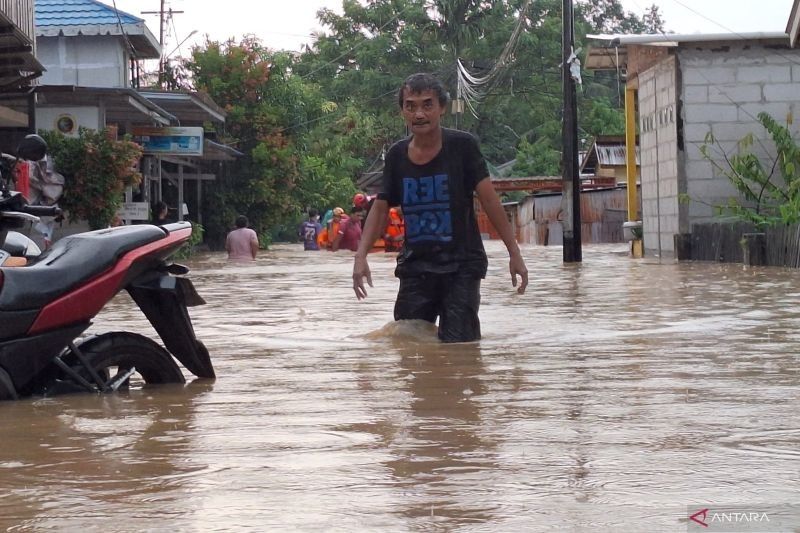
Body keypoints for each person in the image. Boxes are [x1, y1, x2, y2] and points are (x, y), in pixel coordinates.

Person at [352, 72, 528, 343]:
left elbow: (490, 200)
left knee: (460, 348)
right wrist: (360, 256)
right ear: (402, 112)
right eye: (410, 106)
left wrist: (514, 253)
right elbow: (380, 207)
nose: (419, 114)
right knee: (407, 343)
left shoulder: (462, 147)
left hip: (461, 266)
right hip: (416, 266)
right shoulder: (398, 156)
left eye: (427, 104)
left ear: (441, 108)